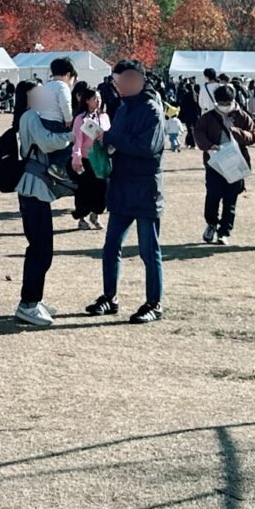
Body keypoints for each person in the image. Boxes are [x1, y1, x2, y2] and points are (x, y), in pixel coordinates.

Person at [86, 60, 166, 322]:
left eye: (121, 82)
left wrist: (112, 138)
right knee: (111, 246)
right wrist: (103, 143)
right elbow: (118, 142)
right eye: (115, 82)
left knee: (149, 251)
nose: (118, 87)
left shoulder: (152, 110)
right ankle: (110, 297)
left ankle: (154, 303)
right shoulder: (122, 109)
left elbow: (147, 147)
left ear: (137, 80)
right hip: (121, 186)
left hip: (145, 188)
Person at [13, 79, 74, 327]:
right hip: (33, 186)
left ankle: (33, 299)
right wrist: (73, 135)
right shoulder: (30, 116)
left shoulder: (33, 116)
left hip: (35, 187)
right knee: (41, 248)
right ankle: (28, 304)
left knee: (40, 247)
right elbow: (47, 142)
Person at [195, 85, 255, 244]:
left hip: (236, 162)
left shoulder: (242, 116)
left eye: (227, 102)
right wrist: (209, 145)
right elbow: (198, 133)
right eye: (221, 103)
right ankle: (211, 224)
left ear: (233, 100)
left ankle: (224, 232)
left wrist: (239, 133)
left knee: (231, 199)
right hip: (215, 163)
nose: (224, 105)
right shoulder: (208, 117)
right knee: (212, 195)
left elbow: (253, 136)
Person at [68, 82, 109, 231]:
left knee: (102, 189)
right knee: (84, 190)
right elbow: (77, 140)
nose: (98, 101)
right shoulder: (80, 119)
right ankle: (81, 218)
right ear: (86, 100)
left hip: (101, 159)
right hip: (86, 159)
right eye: (94, 98)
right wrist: (76, 157)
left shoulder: (104, 117)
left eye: (99, 98)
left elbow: (109, 135)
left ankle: (96, 214)